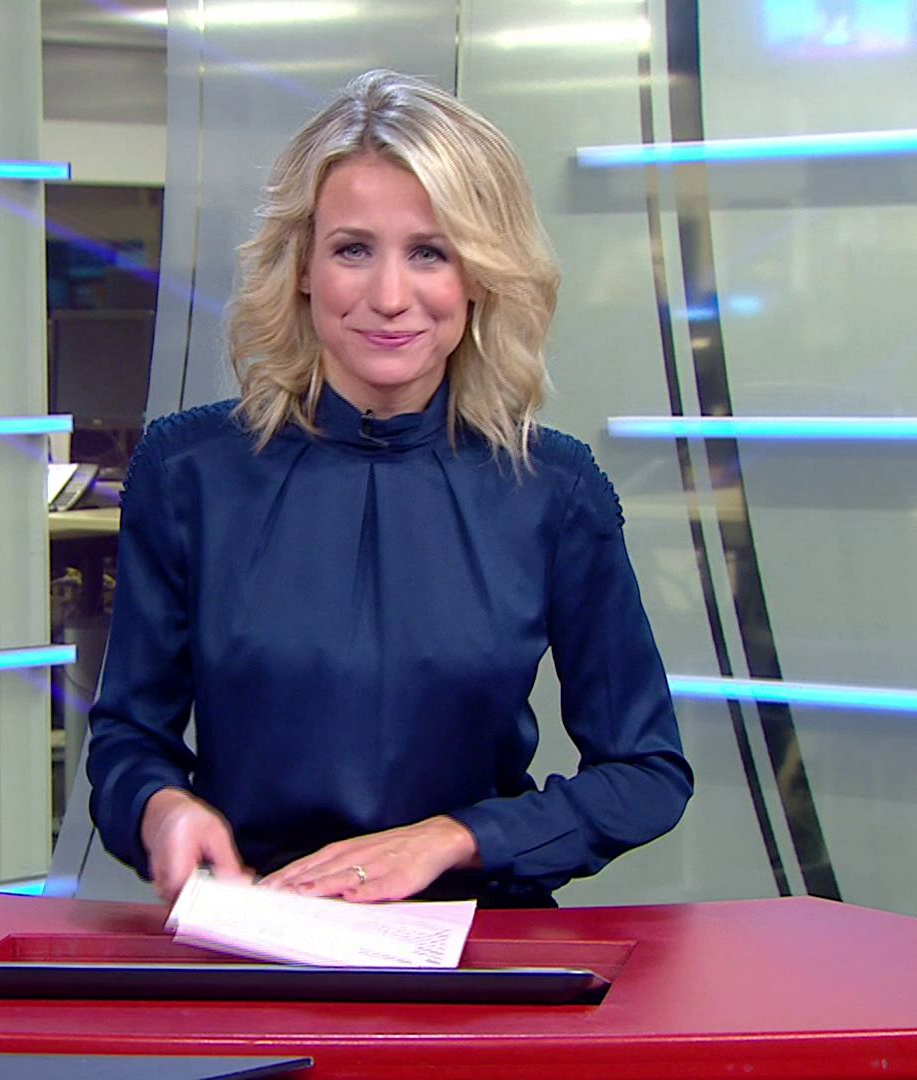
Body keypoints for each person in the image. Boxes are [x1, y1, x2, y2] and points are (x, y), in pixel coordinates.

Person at [85, 69, 692, 909]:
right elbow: (127, 740)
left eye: (430, 253)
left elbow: (645, 771)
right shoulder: (188, 472)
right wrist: (162, 810)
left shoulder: (555, 491)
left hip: (476, 937)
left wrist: (455, 839)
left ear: (478, 274)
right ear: (302, 266)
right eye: (353, 250)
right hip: (261, 928)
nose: (390, 297)